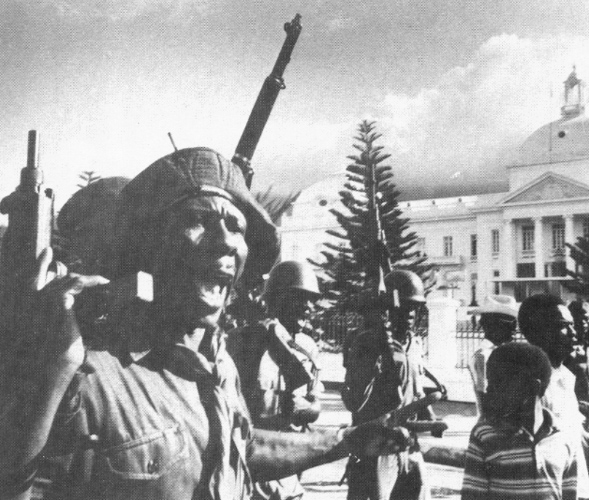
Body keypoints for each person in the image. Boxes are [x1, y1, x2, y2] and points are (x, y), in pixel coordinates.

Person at [0, 148, 413, 500]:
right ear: (147, 247)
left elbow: (237, 446)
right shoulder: (81, 368)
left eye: (236, 226)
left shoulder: (216, 361)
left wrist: (343, 441)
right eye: (199, 219)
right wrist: (48, 373)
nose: (227, 240)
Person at [228, 260, 323, 500]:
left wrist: (309, 409)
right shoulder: (244, 342)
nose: (309, 307)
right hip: (252, 472)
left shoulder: (308, 348)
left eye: (312, 299)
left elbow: (316, 402)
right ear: (278, 299)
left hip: (290, 471)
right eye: (301, 298)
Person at [342, 269, 431, 500]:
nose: (410, 314)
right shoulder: (367, 343)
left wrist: (426, 409)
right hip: (378, 446)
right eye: (404, 306)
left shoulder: (415, 344)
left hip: (409, 443)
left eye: (415, 308)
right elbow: (353, 400)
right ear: (389, 308)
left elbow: (416, 389)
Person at [461, 342, 579, 500]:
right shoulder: (485, 435)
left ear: (533, 387)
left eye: (500, 383)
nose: (490, 390)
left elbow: (570, 495)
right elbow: (471, 496)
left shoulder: (565, 437)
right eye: (491, 382)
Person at [518, 293, 589, 498]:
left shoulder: (565, 376)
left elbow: (573, 437)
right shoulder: (533, 385)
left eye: (572, 325)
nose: (573, 333)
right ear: (537, 332)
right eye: (563, 326)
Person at [467, 295, 519, 415]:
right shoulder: (483, 356)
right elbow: (484, 396)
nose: (514, 329)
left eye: (514, 324)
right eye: (508, 324)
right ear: (490, 325)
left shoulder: (508, 353)